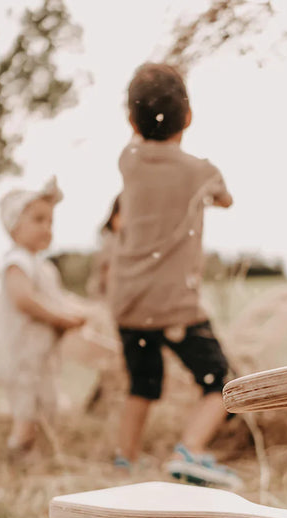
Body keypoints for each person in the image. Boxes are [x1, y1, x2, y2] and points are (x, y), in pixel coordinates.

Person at [109, 62, 241, 489]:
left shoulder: (128, 160)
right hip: (176, 306)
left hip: (129, 303)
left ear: (131, 121)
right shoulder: (200, 171)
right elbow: (227, 200)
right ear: (189, 117)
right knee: (219, 383)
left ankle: (124, 461)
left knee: (142, 386)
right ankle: (190, 449)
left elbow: (140, 136)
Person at [0, 177, 87, 456]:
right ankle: (16, 455)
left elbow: (55, 299)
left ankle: (40, 456)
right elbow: (23, 300)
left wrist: (75, 312)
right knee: (26, 412)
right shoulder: (17, 261)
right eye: (38, 220)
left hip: (42, 357)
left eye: (50, 222)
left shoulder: (43, 267)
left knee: (46, 406)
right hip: (22, 355)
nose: (47, 228)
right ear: (14, 227)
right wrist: (60, 319)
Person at [86, 195, 122, 298]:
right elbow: (106, 272)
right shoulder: (110, 241)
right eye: (121, 215)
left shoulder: (119, 241)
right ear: (114, 217)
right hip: (103, 294)